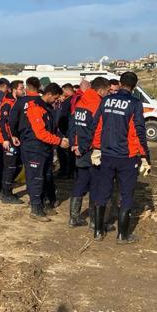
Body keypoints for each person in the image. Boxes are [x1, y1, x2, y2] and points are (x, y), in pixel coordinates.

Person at [90, 71, 151, 243]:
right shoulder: (135, 103)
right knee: (126, 195)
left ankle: (98, 231)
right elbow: (139, 132)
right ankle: (122, 235)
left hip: (106, 155)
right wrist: (146, 157)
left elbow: (97, 126)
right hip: (127, 157)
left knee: (103, 192)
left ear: (119, 83)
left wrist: (96, 148)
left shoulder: (106, 100)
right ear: (134, 86)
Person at [11, 78, 69, 221]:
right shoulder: (35, 107)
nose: (56, 102)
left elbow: (51, 128)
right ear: (49, 94)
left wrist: (58, 138)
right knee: (35, 178)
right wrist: (59, 141)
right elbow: (40, 133)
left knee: (45, 176)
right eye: (56, 98)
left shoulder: (46, 107)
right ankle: (36, 209)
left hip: (44, 148)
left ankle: (42, 204)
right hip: (33, 148)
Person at [68, 76, 110, 228]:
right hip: (91, 150)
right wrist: (84, 147)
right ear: (101, 90)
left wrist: (74, 144)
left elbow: (72, 124)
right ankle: (94, 221)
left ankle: (74, 217)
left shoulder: (80, 102)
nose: (108, 94)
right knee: (96, 184)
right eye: (108, 90)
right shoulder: (97, 104)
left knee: (81, 181)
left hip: (79, 148)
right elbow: (94, 131)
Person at [0, 80, 25, 204]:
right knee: (10, 166)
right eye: (21, 89)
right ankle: (6, 193)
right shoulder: (7, 103)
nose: (23, 91)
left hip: (16, 139)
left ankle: (7, 190)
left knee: (16, 165)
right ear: (14, 90)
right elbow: (2, 122)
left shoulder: (16, 102)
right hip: (8, 140)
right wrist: (6, 139)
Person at [55, 83, 76, 179]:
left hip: (65, 131)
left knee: (64, 153)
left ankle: (66, 171)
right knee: (68, 153)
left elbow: (63, 117)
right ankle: (68, 171)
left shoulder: (69, 101)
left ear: (65, 90)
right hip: (69, 130)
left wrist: (63, 132)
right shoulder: (75, 98)